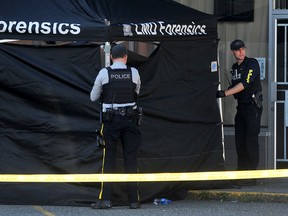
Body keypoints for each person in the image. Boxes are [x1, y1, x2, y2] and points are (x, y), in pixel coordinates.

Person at [90, 44, 142, 209]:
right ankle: (134, 201)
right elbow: (137, 92)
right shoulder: (134, 72)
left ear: (111, 57)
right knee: (131, 159)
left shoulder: (104, 73)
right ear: (126, 57)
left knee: (109, 160)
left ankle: (106, 200)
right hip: (130, 120)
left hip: (111, 122)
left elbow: (93, 97)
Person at [216, 39, 263, 186]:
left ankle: (251, 175)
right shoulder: (234, 68)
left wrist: (225, 93)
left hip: (252, 107)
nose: (241, 52)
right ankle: (241, 172)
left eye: (243, 48)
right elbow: (237, 88)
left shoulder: (252, 63)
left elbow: (245, 83)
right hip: (241, 107)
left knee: (250, 141)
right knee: (240, 142)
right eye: (237, 50)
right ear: (232, 52)